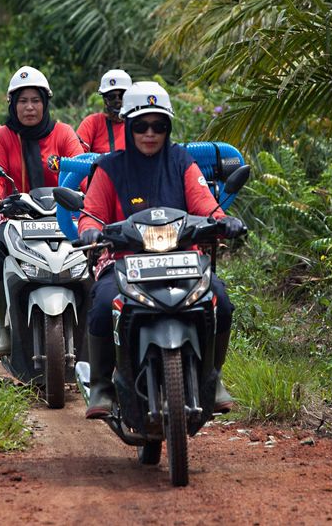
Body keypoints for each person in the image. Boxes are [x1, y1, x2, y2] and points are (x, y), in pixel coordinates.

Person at [74, 81, 244, 420]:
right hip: (124, 261)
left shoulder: (182, 161)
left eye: (159, 125)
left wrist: (222, 221)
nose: (150, 133)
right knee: (103, 303)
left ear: (168, 127)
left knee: (221, 301)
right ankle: (102, 385)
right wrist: (91, 230)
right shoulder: (108, 168)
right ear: (128, 126)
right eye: (141, 125)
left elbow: (205, 204)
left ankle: (214, 376)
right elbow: (90, 213)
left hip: (183, 260)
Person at [0, 66, 84, 356]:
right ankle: (5, 326)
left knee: (97, 249)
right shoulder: (2, 136)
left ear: (45, 103)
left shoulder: (62, 133)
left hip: (63, 217)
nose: (29, 107)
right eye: (22, 101)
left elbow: (81, 167)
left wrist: (89, 190)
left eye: (35, 100)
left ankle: (95, 329)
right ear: (12, 104)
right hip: (18, 217)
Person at [76, 69, 132, 153]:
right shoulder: (93, 123)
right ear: (105, 100)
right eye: (112, 97)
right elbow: (76, 156)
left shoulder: (138, 124)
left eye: (121, 95)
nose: (118, 101)